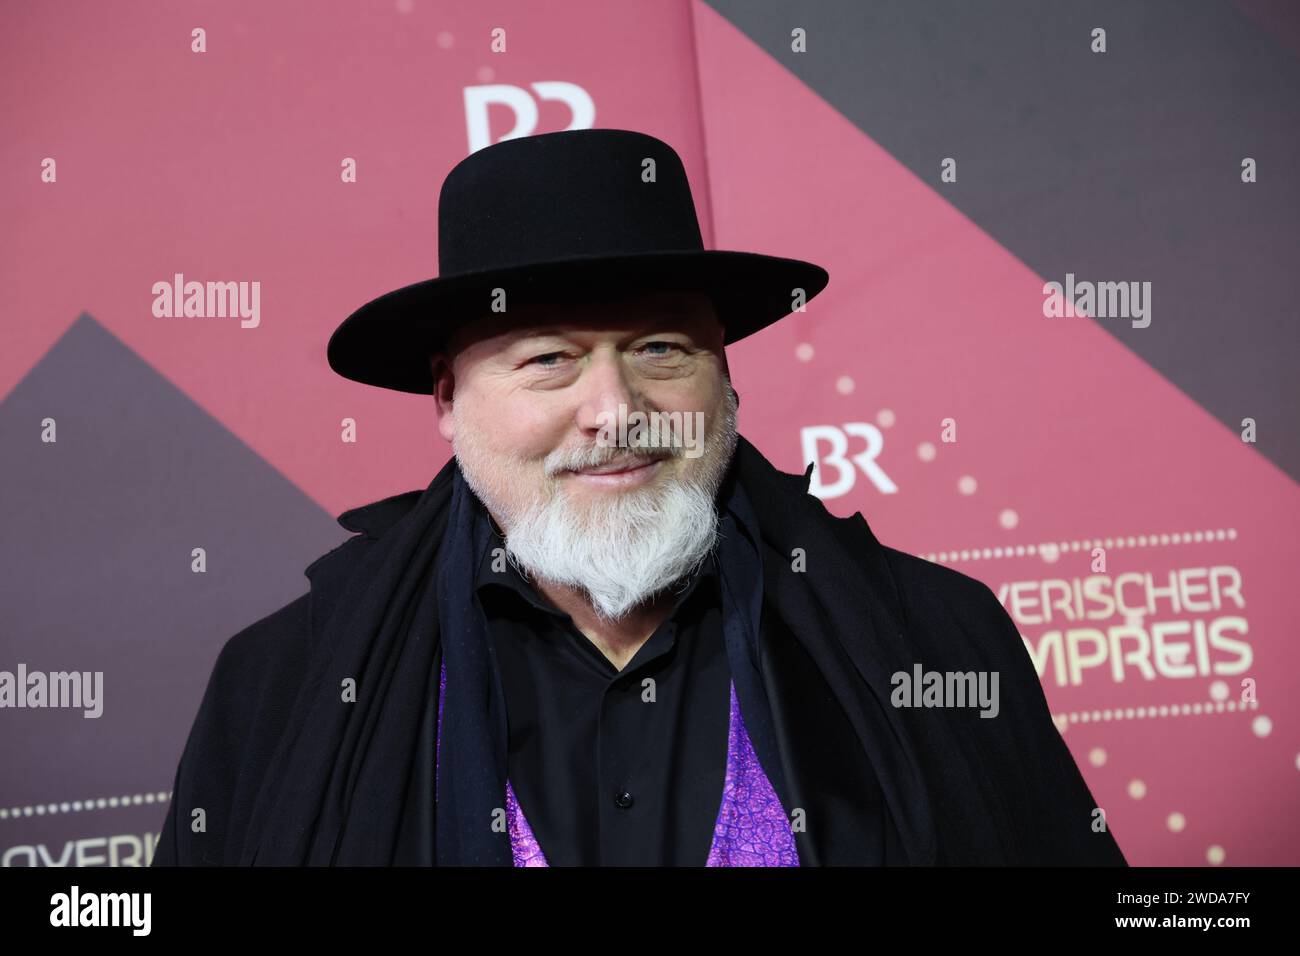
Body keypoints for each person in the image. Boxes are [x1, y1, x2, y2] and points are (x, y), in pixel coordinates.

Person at [152, 128, 1126, 866]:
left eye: (661, 349)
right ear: (447, 399)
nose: (614, 411)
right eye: (550, 360)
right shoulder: (277, 688)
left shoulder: (940, 639)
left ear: (726, 381)